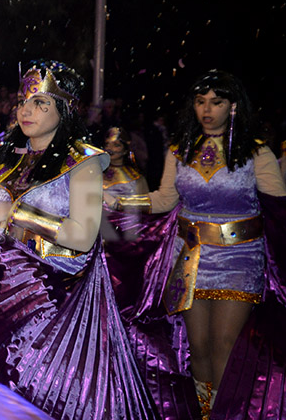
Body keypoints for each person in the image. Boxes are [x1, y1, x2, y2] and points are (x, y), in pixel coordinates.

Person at [0, 60, 157, 419]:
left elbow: (83, 237)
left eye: (41, 102)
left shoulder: (82, 162)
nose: (26, 110)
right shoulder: (4, 154)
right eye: (24, 101)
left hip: (52, 294)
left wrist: (13, 214)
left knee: (23, 383)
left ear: (66, 108)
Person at [108, 70, 286, 418]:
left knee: (224, 346)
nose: (207, 110)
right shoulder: (180, 149)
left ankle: (225, 414)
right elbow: (162, 200)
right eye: (201, 101)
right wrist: (118, 201)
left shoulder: (257, 153)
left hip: (239, 260)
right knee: (199, 349)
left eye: (216, 102)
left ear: (233, 106)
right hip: (190, 258)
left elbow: (279, 210)